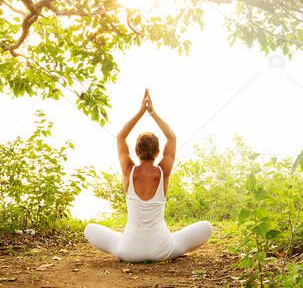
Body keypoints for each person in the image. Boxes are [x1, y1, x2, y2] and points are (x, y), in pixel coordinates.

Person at [84, 89, 213, 262]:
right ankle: (175, 250)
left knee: (89, 229)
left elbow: (121, 137)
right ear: (158, 152)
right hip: (163, 249)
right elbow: (172, 137)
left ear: (136, 151)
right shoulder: (163, 171)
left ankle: (127, 248)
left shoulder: (129, 170)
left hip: (129, 251)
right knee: (206, 228)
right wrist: (152, 112)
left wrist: (140, 112)